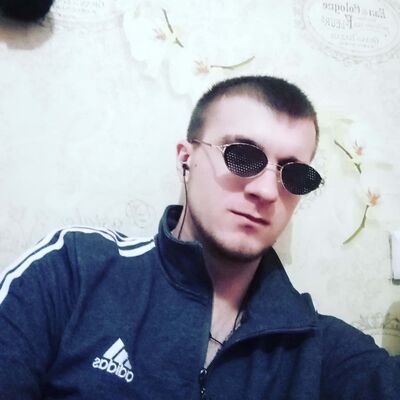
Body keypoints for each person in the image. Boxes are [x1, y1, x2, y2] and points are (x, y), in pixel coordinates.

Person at [0, 76, 398, 399]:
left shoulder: (317, 348)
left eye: (294, 175)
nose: (266, 191)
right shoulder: (75, 271)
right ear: (185, 159)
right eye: (242, 156)